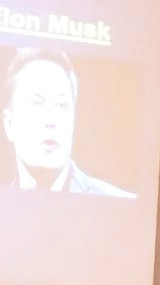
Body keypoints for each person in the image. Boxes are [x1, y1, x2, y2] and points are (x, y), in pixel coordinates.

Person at [1, 48, 135, 195]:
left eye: (61, 104)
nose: (51, 120)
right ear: (9, 125)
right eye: (36, 103)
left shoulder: (118, 201)